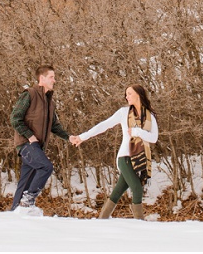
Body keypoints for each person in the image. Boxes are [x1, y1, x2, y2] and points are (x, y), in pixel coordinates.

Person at [70, 84, 159, 220]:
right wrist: (82, 137)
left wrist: (137, 131)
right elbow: (104, 125)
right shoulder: (124, 112)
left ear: (138, 95)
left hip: (140, 159)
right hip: (124, 158)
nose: (126, 96)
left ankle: (102, 220)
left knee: (117, 192)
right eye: (126, 94)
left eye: (129, 93)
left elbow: (153, 138)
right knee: (137, 188)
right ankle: (140, 224)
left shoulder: (149, 116)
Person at [9, 65, 72, 215]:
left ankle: (15, 213)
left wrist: (69, 137)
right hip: (26, 144)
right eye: (51, 77)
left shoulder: (50, 102)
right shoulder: (29, 94)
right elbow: (15, 118)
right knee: (46, 167)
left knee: (24, 182)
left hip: (37, 147)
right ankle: (28, 200)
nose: (54, 80)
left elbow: (54, 126)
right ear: (41, 78)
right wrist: (29, 136)